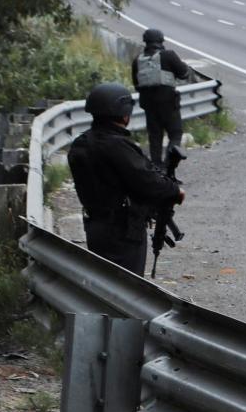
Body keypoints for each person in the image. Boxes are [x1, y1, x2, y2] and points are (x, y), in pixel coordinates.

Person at [66, 83, 185, 275]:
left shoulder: (81, 144)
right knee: (129, 284)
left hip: (95, 225)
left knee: (105, 281)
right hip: (122, 230)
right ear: (124, 114)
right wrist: (174, 191)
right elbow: (147, 181)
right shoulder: (117, 146)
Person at [131, 28, 193, 164]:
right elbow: (184, 74)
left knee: (155, 138)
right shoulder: (168, 55)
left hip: (148, 105)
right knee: (175, 135)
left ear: (145, 42)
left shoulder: (137, 61)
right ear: (161, 41)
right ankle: (168, 168)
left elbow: (136, 84)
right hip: (168, 103)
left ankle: (157, 170)